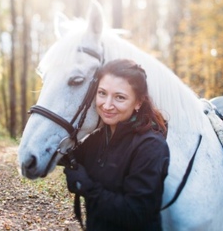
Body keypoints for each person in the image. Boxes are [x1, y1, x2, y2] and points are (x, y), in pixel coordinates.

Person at [63, 59, 170, 231]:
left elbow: (136, 213)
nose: (106, 105)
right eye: (102, 93)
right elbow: (67, 156)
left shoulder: (150, 146)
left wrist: (87, 188)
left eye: (119, 97)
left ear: (138, 102)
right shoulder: (99, 138)